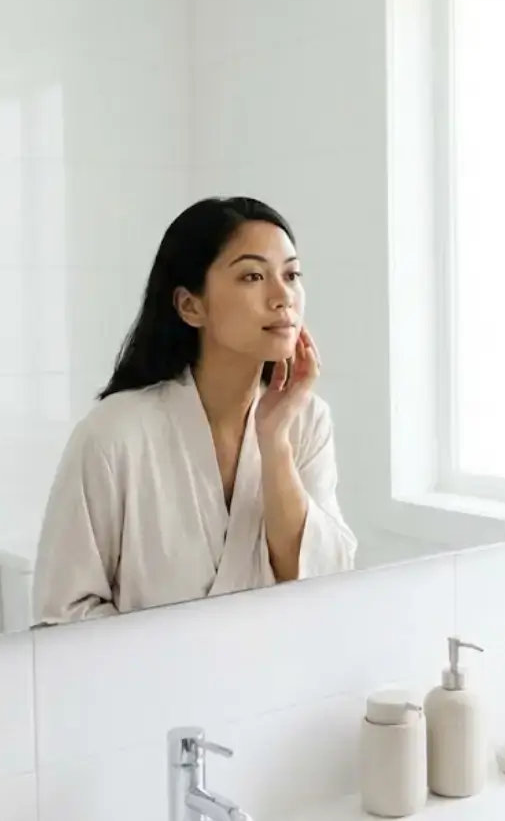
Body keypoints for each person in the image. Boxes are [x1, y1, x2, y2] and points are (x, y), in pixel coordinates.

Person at [33, 197, 357, 626]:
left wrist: (275, 441)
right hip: (148, 690)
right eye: (253, 276)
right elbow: (63, 612)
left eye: (292, 275)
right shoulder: (114, 434)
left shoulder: (306, 420)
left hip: (280, 684)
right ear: (190, 306)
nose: (283, 298)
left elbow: (324, 580)